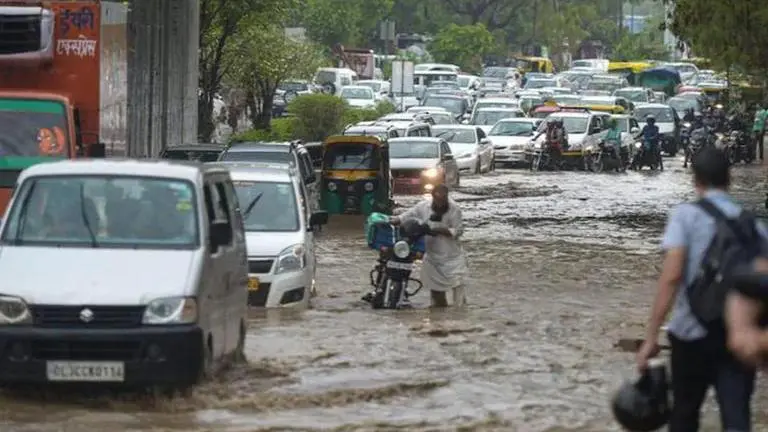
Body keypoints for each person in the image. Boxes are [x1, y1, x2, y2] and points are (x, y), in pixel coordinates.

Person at [636, 147, 766, 431]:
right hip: (738, 337)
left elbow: (671, 276)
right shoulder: (752, 224)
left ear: (695, 180)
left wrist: (651, 336)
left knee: (684, 414)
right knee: (737, 417)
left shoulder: (685, 215)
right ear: (729, 180)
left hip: (689, 333)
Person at [390, 184, 467, 307]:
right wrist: (396, 220)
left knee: (458, 288)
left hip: (452, 256)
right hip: (432, 256)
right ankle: (439, 316)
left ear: (447, 197)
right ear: (433, 197)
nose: (440, 203)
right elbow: (410, 214)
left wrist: (440, 230)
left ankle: (460, 316)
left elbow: (458, 231)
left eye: (443, 200)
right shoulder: (424, 206)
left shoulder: (454, 209)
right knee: (436, 290)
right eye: (438, 200)